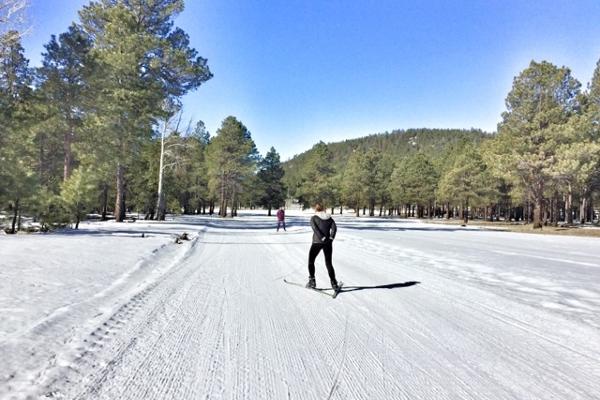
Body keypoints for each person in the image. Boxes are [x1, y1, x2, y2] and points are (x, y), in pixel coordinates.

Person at [306, 203, 339, 290]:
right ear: (323, 209)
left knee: (311, 261)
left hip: (317, 242)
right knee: (329, 263)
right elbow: (334, 228)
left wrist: (322, 238)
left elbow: (315, 229)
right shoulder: (329, 218)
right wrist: (331, 238)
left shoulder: (313, 218)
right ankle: (334, 283)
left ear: (316, 209)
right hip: (328, 243)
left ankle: (312, 281)